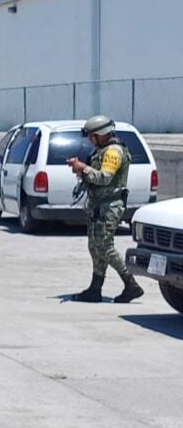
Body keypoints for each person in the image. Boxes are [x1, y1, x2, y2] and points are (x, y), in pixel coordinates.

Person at [68, 115, 144, 303]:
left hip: (109, 206)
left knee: (105, 247)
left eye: (91, 136)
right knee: (95, 246)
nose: (89, 140)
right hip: (98, 206)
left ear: (100, 135)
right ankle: (95, 288)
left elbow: (105, 178)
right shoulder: (101, 151)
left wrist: (83, 168)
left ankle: (131, 284)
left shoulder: (113, 152)